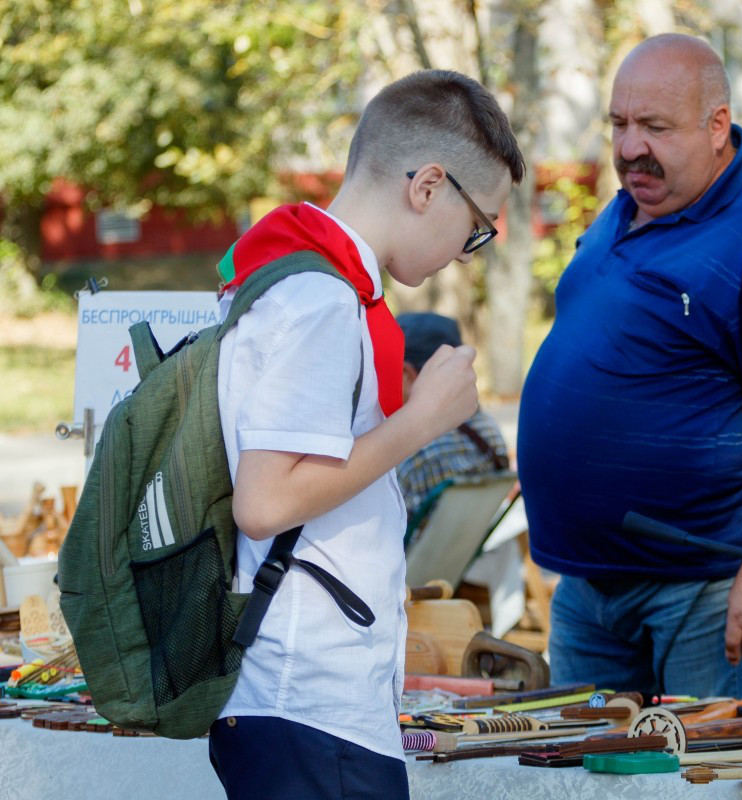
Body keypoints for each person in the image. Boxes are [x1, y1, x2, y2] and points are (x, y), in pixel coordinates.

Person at [209, 70, 523, 799]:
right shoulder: (320, 300)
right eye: (477, 226)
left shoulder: (300, 277)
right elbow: (264, 500)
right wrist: (422, 421)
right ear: (428, 187)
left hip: (302, 698)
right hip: (309, 698)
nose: (467, 250)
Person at [517, 34, 742, 707]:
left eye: (654, 128)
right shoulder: (624, 209)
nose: (631, 148)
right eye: (619, 125)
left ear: (717, 126)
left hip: (701, 592)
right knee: (584, 779)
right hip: (589, 588)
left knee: (711, 777)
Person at [395, 311, 510, 520]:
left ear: (406, 373)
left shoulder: (413, 451)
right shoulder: (488, 428)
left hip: (418, 553)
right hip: (472, 550)